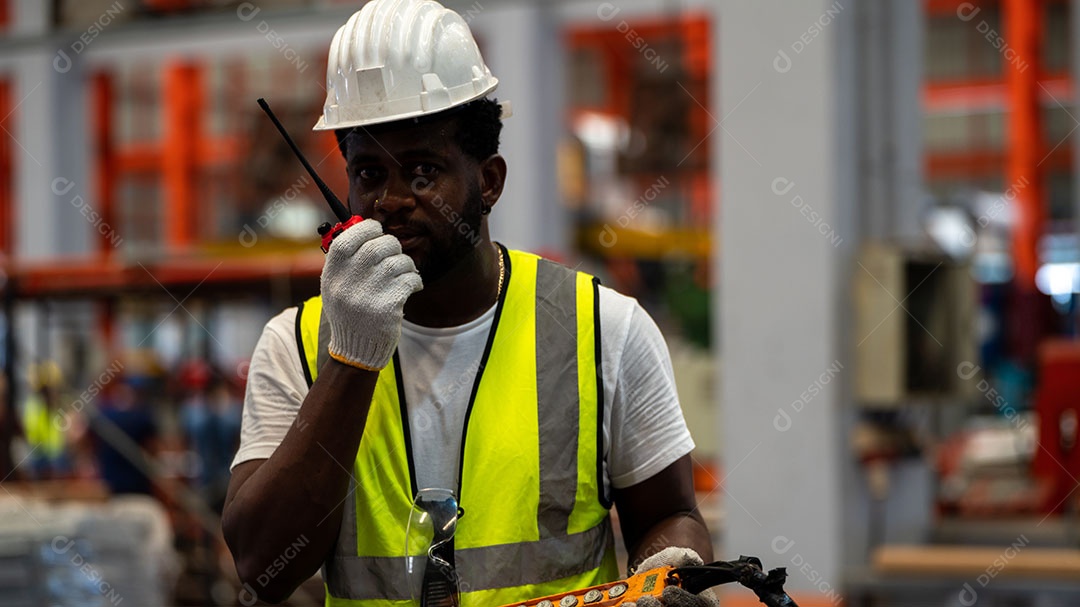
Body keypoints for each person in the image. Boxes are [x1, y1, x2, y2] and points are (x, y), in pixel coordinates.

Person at [222, 1, 713, 605]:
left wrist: (672, 572)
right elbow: (263, 567)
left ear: (489, 181)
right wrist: (350, 359)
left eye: (424, 171)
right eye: (370, 173)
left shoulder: (602, 328)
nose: (392, 200)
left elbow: (669, 514)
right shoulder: (295, 345)